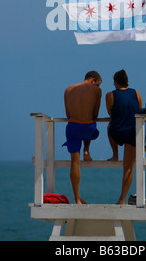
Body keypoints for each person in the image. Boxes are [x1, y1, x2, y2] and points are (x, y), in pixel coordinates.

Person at [63, 71, 102, 204]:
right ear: (93, 80)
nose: (98, 87)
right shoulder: (97, 91)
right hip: (87, 129)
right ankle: (86, 150)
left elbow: (68, 113)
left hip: (72, 128)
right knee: (90, 126)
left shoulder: (68, 89)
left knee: (74, 162)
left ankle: (77, 199)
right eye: (98, 84)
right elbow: (95, 114)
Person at [106, 69, 143, 205]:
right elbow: (139, 108)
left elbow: (111, 112)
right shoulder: (136, 93)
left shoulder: (110, 95)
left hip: (118, 131)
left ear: (115, 82)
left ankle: (115, 154)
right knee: (128, 168)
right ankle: (122, 199)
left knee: (109, 127)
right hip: (133, 132)